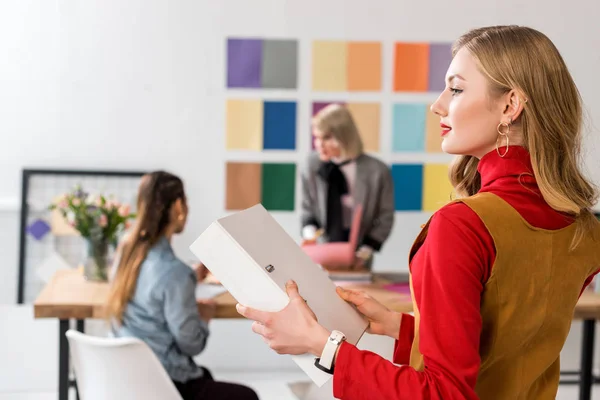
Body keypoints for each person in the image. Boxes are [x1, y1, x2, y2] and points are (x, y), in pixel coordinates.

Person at [236, 25, 600, 399]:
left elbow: (443, 394)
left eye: (456, 88)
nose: (437, 104)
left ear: (510, 105)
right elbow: (508, 346)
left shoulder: (463, 226)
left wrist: (320, 345)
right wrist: (401, 327)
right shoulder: (585, 229)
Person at [106, 171, 259, 400]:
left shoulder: (125, 256)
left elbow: (155, 286)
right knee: (247, 396)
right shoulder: (175, 273)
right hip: (165, 383)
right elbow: (192, 344)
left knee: (205, 376)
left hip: (126, 380)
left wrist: (190, 277)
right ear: (178, 206)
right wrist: (204, 317)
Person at [302, 103, 395, 268]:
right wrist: (310, 236)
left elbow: (385, 216)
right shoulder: (311, 166)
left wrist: (367, 249)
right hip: (322, 251)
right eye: (317, 137)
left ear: (345, 137)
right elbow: (307, 209)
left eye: (327, 138)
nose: (319, 145)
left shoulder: (377, 170)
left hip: (360, 251)